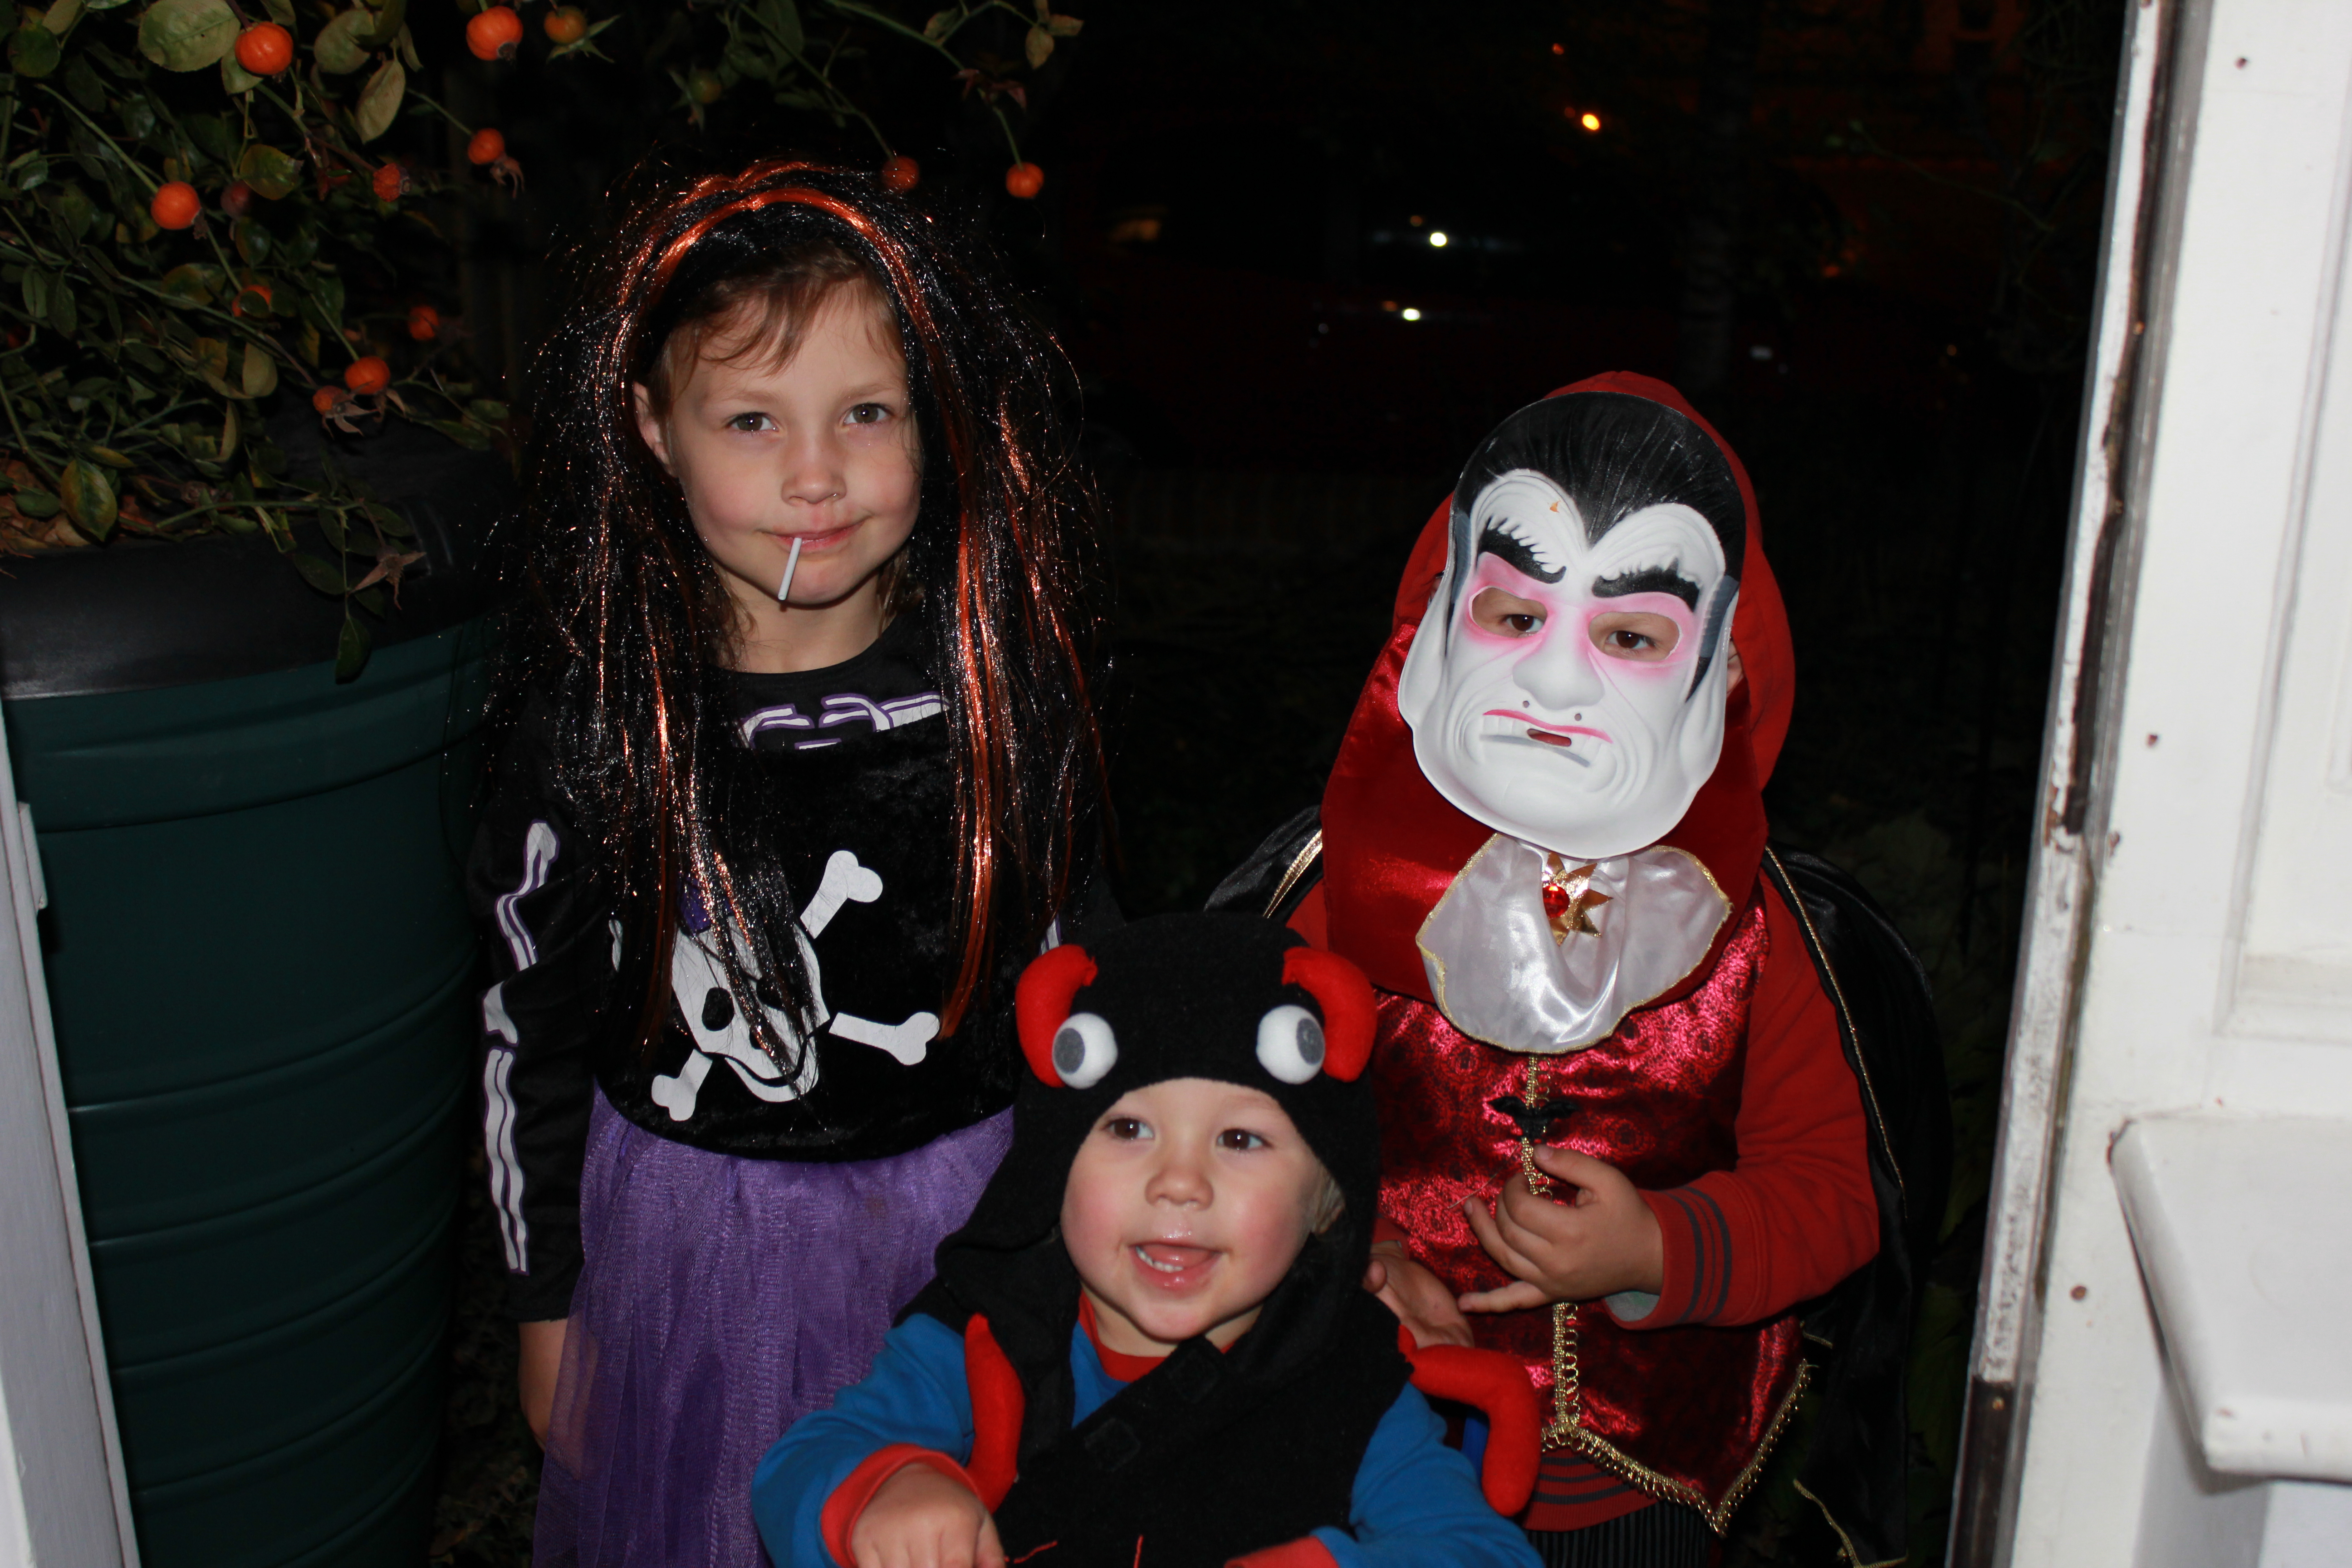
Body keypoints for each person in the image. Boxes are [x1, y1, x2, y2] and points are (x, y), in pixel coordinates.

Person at [469, 157, 1113, 1567]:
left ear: (932, 420)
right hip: (692, 1261)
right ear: (654, 427)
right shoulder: (603, 725)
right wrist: (547, 1306)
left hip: (971, 1241)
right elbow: (530, 1032)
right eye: (752, 419)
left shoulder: (1001, 701)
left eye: (866, 413)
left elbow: (1089, 988)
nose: (815, 474)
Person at [1207, 374, 1944, 1568]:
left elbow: (1834, 1193)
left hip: (1637, 1492)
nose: (1558, 683)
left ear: (1725, 669)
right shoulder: (1331, 896)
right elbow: (1226, 1136)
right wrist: (1353, 1256)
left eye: (1632, 635)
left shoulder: (1763, 939)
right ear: (1436, 625)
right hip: (1368, 1447)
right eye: (1515, 616)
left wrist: (1663, 1250)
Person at [752, 914, 1546, 1568]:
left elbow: (1484, 1552)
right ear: (1053, 1167)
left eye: (1240, 1140)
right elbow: (799, 1466)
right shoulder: (985, 1328)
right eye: (1129, 1129)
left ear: (1327, 1202)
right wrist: (884, 1493)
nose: (1179, 1183)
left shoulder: (1351, 1376)